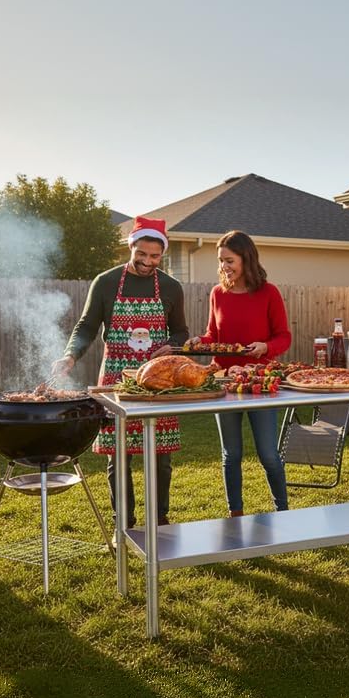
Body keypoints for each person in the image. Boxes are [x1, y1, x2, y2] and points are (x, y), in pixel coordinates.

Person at [51, 215, 188, 527]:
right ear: (131, 247)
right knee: (119, 456)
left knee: (161, 456)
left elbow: (180, 331)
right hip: (116, 378)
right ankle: (122, 523)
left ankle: (159, 521)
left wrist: (172, 345)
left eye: (155, 256)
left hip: (159, 381)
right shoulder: (106, 282)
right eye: (141, 254)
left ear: (162, 254)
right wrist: (70, 356)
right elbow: (86, 326)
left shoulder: (171, 287)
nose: (148, 262)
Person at [189, 230, 290, 516]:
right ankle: (235, 514)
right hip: (225, 382)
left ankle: (282, 511)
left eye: (229, 260)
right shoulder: (217, 293)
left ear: (246, 258)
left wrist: (265, 346)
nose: (224, 267)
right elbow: (214, 335)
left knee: (269, 454)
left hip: (258, 380)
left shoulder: (269, 292)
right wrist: (201, 341)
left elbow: (284, 336)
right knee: (230, 454)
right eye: (221, 261)